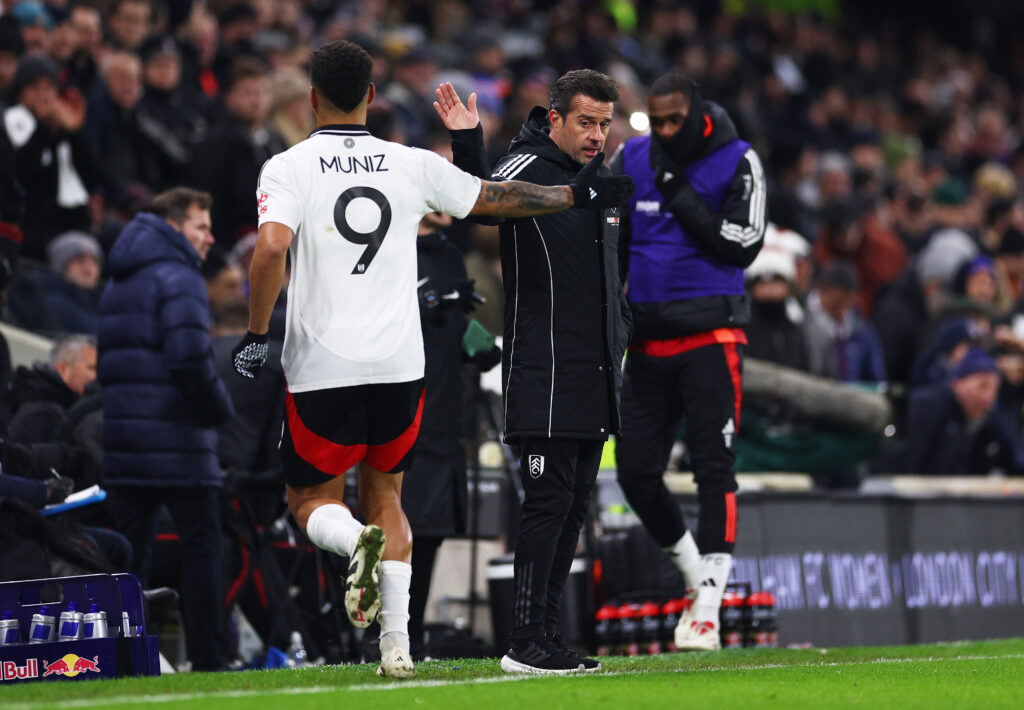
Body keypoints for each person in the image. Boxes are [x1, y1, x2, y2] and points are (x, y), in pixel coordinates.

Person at [229, 40, 632, 679]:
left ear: (311, 97)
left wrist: (255, 335)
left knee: (310, 501)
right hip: (400, 364)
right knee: (388, 496)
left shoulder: (287, 167)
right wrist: (570, 198)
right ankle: (397, 648)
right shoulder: (411, 163)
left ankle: (348, 542)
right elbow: (493, 200)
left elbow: (271, 248)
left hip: (323, 363)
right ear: (371, 96)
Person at [434, 70, 632, 674]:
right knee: (546, 504)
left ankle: (546, 635)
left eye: (604, 122)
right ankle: (523, 641)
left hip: (593, 373)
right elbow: (479, 203)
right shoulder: (528, 165)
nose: (597, 134)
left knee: (573, 506)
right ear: (555, 120)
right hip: (543, 373)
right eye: (585, 122)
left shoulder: (601, 184)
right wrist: (468, 144)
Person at [610, 72, 766, 651]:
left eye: (676, 119)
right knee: (635, 475)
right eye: (659, 120)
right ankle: (694, 574)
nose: (667, 131)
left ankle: (707, 608)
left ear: (697, 112)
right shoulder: (632, 156)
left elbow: (743, 245)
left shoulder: (739, 159)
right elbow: (616, 240)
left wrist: (678, 192)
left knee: (713, 469)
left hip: (712, 339)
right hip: (646, 343)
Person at [98, 187, 235, 671]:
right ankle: (209, 659)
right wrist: (222, 411)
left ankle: (120, 660)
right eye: (201, 227)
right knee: (203, 550)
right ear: (174, 227)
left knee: (128, 561)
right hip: (179, 442)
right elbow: (189, 361)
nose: (209, 238)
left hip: (125, 442)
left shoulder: (118, 279)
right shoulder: (179, 276)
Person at [403, 208, 501, 659]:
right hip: (402, 411)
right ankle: (385, 633)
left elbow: (456, 323)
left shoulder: (447, 255)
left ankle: (413, 634)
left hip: (446, 414)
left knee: (431, 531)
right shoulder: (391, 248)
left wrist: (484, 348)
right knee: (400, 529)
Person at [902, 348, 1024, 475]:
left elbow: (1014, 456)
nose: (989, 397)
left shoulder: (990, 416)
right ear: (958, 383)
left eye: (995, 390)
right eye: (982, 386)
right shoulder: (926, 407)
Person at [803, 260, 887, 383]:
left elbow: (876, 377)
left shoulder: (861, 330)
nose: (843, 309)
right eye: (837, 302)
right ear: (821, 291)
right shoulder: (801, 323)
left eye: (849, 302)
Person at [43, 230, 103, 335]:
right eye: (80, 260)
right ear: (62, 267)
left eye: (95, 261)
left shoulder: (101, 309)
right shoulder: (52, 304)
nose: (89, 269)